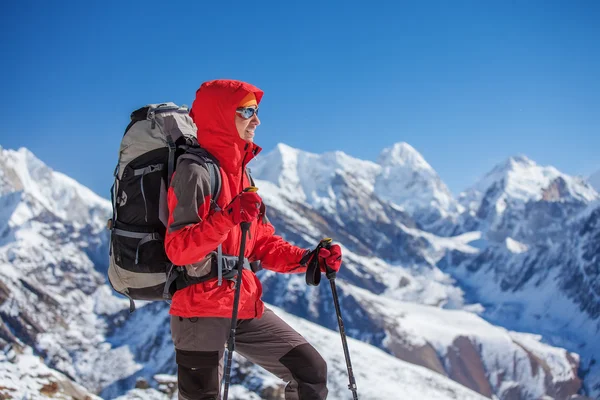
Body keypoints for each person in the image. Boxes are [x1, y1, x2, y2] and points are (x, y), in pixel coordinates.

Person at [164, 79, 343, 400]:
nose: (257, 120)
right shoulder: (195, 172)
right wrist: (228, 217)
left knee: (310, 372)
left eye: (256, 111)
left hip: (241, 303)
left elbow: (261, 243)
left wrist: (307, 258)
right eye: (247, 111)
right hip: (199, 309)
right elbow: (179, 249)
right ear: (221, 115)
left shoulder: (242, 175)